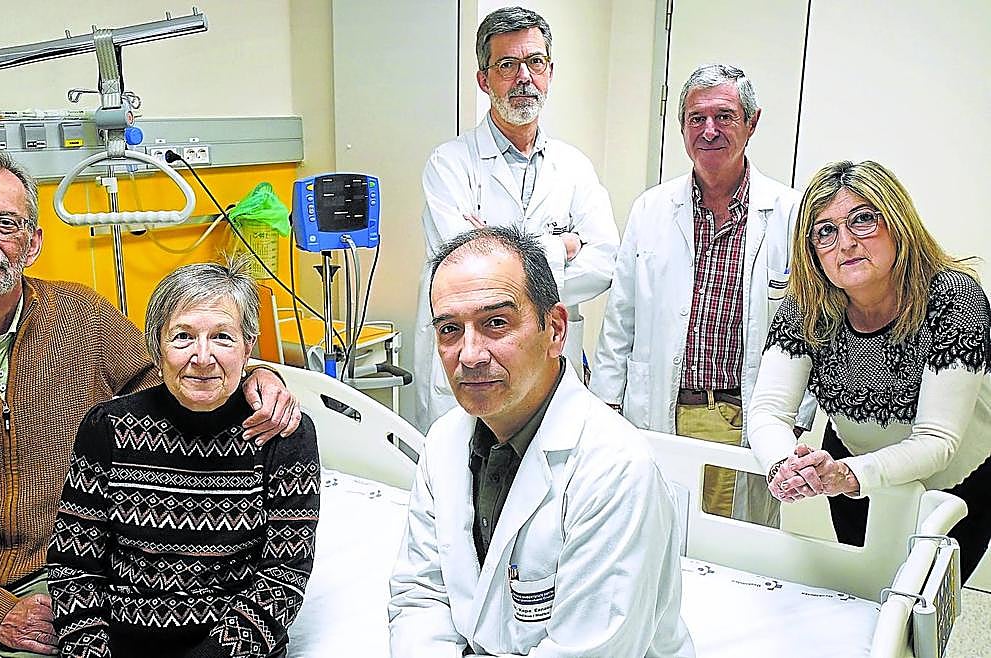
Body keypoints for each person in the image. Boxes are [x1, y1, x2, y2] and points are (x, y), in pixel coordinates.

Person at [0, 149, 301, 658]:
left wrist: (251, 376)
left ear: (33, 243)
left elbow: (171, 382)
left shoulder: (82, 316)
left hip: (53, 569)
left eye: (6, 224)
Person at [389, 226, 693, 657]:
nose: (470, 355)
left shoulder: (613, 468)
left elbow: (588, 649)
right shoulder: (443, 443)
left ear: (554, 330)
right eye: (450, 330)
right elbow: (420, 598)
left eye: (496, 323)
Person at [48, 261, 319, 658]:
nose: (202, 356)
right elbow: (75, 566)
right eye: (182, 336)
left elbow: (283, 580)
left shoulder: (282, 433)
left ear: (248, 348)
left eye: (223, 337)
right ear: (157, 348)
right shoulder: (107, 427)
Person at [590, 64, 814, 527]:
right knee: (650, 536)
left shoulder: (790, 214)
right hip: (658, 407)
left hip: (742, 414)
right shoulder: (651, 209)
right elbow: (621, 318)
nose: (708, 130)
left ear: (752, 123)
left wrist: (797, 416)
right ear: (682, 128)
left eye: (724, 117)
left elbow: (814, 325)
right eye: (696, 118)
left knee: (730, 549)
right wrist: (606, 404)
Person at [750, 160, 991, 582]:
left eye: (862, 220)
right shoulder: (807, 309)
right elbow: (769, 410)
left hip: (954, 484)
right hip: (852, 470)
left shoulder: (954, 299)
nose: (844, 243)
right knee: (865, 593)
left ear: (897, 222)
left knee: (919, 614)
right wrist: (785, 464)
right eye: (825, 231)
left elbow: (937, 441)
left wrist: (848, 475)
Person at [413, 5, 618, 430]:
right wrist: (561, 246)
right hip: (471, 363)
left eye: (535, 62)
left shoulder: (574, 166)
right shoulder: (449, 165)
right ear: (484, 79)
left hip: (546, 364)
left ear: (550, 72)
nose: (524, 77)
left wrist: (502, 256)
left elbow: (606, 262)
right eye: (507, 64)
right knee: (464, 477)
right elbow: (467, 271)